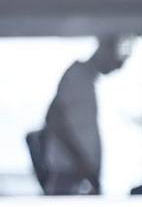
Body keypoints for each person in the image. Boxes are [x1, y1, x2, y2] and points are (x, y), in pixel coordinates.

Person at [32, 37, 127, 196]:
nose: (119, 66)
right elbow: (53, 118)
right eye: (118, 58)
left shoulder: (90, 80)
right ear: (107, 50)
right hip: (68, 173)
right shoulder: (77, 75)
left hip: (83, 173)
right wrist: (79, 161)